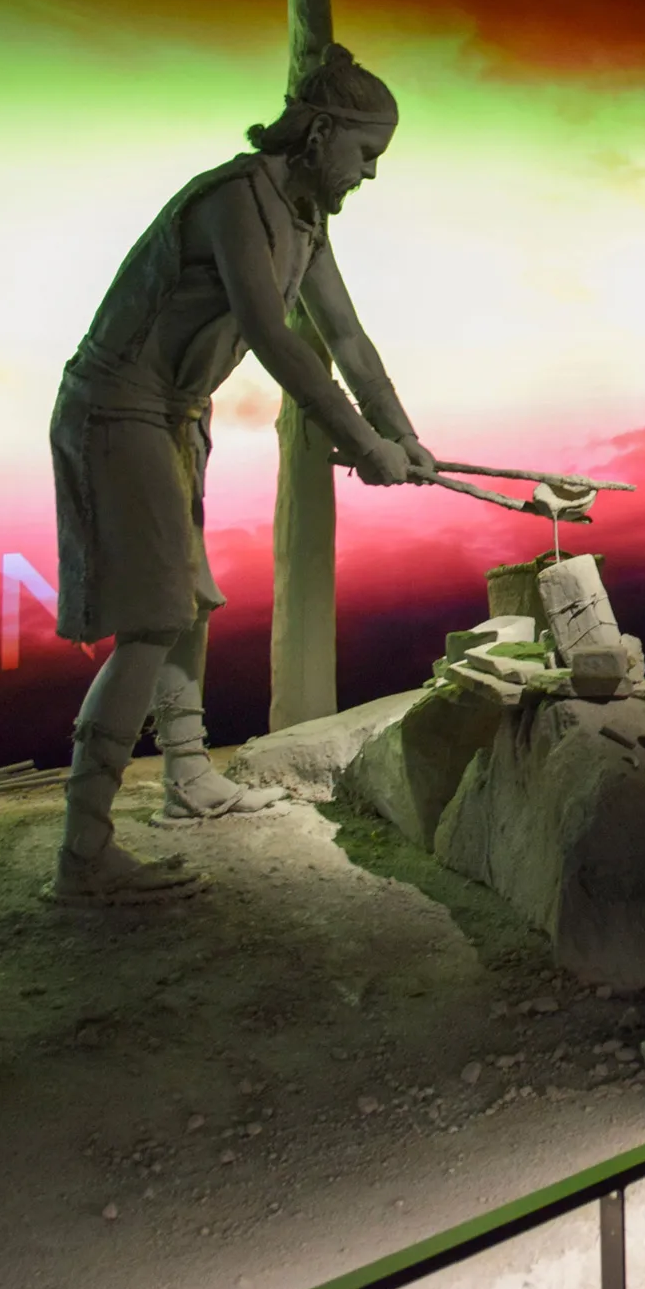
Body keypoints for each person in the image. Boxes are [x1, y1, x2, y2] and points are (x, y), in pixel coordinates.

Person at [48, 44, 433, 905]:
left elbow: (348, 340)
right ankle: (83, 851)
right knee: (154, 616)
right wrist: (361, 442)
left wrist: (403, 434)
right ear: (322, 131)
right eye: (366, 153)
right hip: (118, 409)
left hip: (173, 411)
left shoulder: (302, 218)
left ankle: (188, 777)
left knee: (186, 600)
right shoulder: (234, 199)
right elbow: (271, 334)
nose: (370, 173)